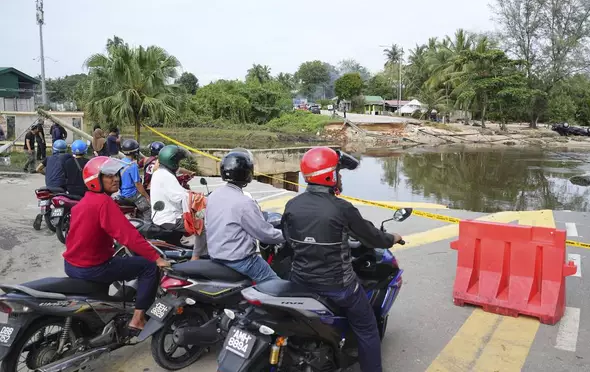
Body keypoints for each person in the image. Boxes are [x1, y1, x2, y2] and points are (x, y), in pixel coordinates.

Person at [281, 146, 404, 372]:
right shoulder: (342, 208)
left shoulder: (293, 205)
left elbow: (289, 240)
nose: (339, 177)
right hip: (338, 286)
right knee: (367, 327)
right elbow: (372, 237)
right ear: (329, 175)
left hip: (299, 281)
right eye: (338, 172)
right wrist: (393, 237)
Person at [63, 156, 170, 333]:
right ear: (95, 181)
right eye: (109, 176)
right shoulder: (103, 203)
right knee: (149, 267)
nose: (116, 179)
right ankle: (138, 319)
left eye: (116, 175)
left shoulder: (84, 202)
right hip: (93, 267)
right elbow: (129, 236)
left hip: (72, 265)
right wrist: (156, 258)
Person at [204, 149, 284, 282]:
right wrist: (287, 236)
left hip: (216, 256)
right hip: (241, 261)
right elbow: (264, 234)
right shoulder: (244, 202)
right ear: (248, 173)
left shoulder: (214, 195)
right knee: (276, 285)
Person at [150, 144, 205, 249]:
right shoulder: (166, 176)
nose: (178, 165)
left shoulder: (161, 172)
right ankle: (197, 255)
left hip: (162, 216)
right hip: (171, 219)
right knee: (203, 226)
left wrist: (193, 194)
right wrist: (202, 199)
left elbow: (180, 192)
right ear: (172, 161)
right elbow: (180, 197)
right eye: (178, 161)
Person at [117, 139, 151, 220]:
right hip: (132, 195)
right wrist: (147, 196)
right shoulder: (132, 165)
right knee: (148, 209)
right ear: (135, 152)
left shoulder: (121, 162)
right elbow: (138, 184)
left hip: (122, 193)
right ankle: (147, 228)